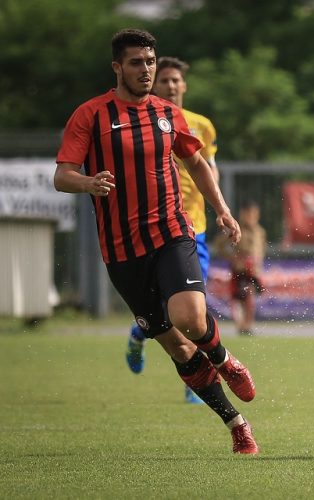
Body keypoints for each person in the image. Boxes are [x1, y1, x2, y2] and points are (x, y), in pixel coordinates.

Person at [54, 28, 259, 454]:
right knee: (178, 347)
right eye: (136, 63)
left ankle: (225, 360)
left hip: (171, 231)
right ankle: (236, 424)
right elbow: (62, 175)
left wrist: (221, 209)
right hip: (121, 250)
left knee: (189, 316)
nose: (146, 70)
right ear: (117, 67)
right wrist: (88, 182)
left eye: (150, 61)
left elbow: (198, 164)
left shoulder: (167, 113)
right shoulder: (90, 115)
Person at [125, 55, 220, 404]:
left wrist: (220, 204)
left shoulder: (202, 125)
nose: (170, 86)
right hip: (154, 224)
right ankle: (140, 332)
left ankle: (194, 382)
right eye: (164, 81)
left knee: (194, 309)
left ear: (184, 85)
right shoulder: (143, 121)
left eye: (175, 81)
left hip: (194, 229)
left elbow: (208, 165)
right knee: (161, 307)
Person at [215, 200, 268, 336]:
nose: (250, 218)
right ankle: (240, 325)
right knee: (238, 297)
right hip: (239, 269)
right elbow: (219, 245)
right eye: (247, 214)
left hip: (254, 270)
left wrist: (259, 265)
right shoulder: (236, 229)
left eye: (253, 215)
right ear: (242, 214)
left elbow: (261, 250)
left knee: (251, 296)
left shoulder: (260, 232)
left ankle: (248, 324)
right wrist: (232, 258)